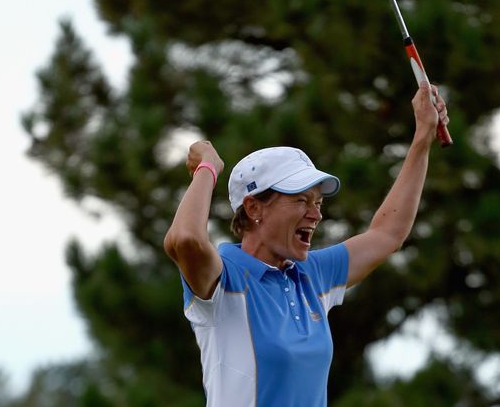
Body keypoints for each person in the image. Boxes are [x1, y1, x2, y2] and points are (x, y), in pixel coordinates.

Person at [164, 81, 448, 407]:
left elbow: (388, 234)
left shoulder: (312, 274)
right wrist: (208, 168)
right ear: (254, 208)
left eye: (318, 202)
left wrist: (422, 137)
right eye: (301, 200)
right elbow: (184, 238)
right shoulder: (223, 279)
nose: (316, 214)